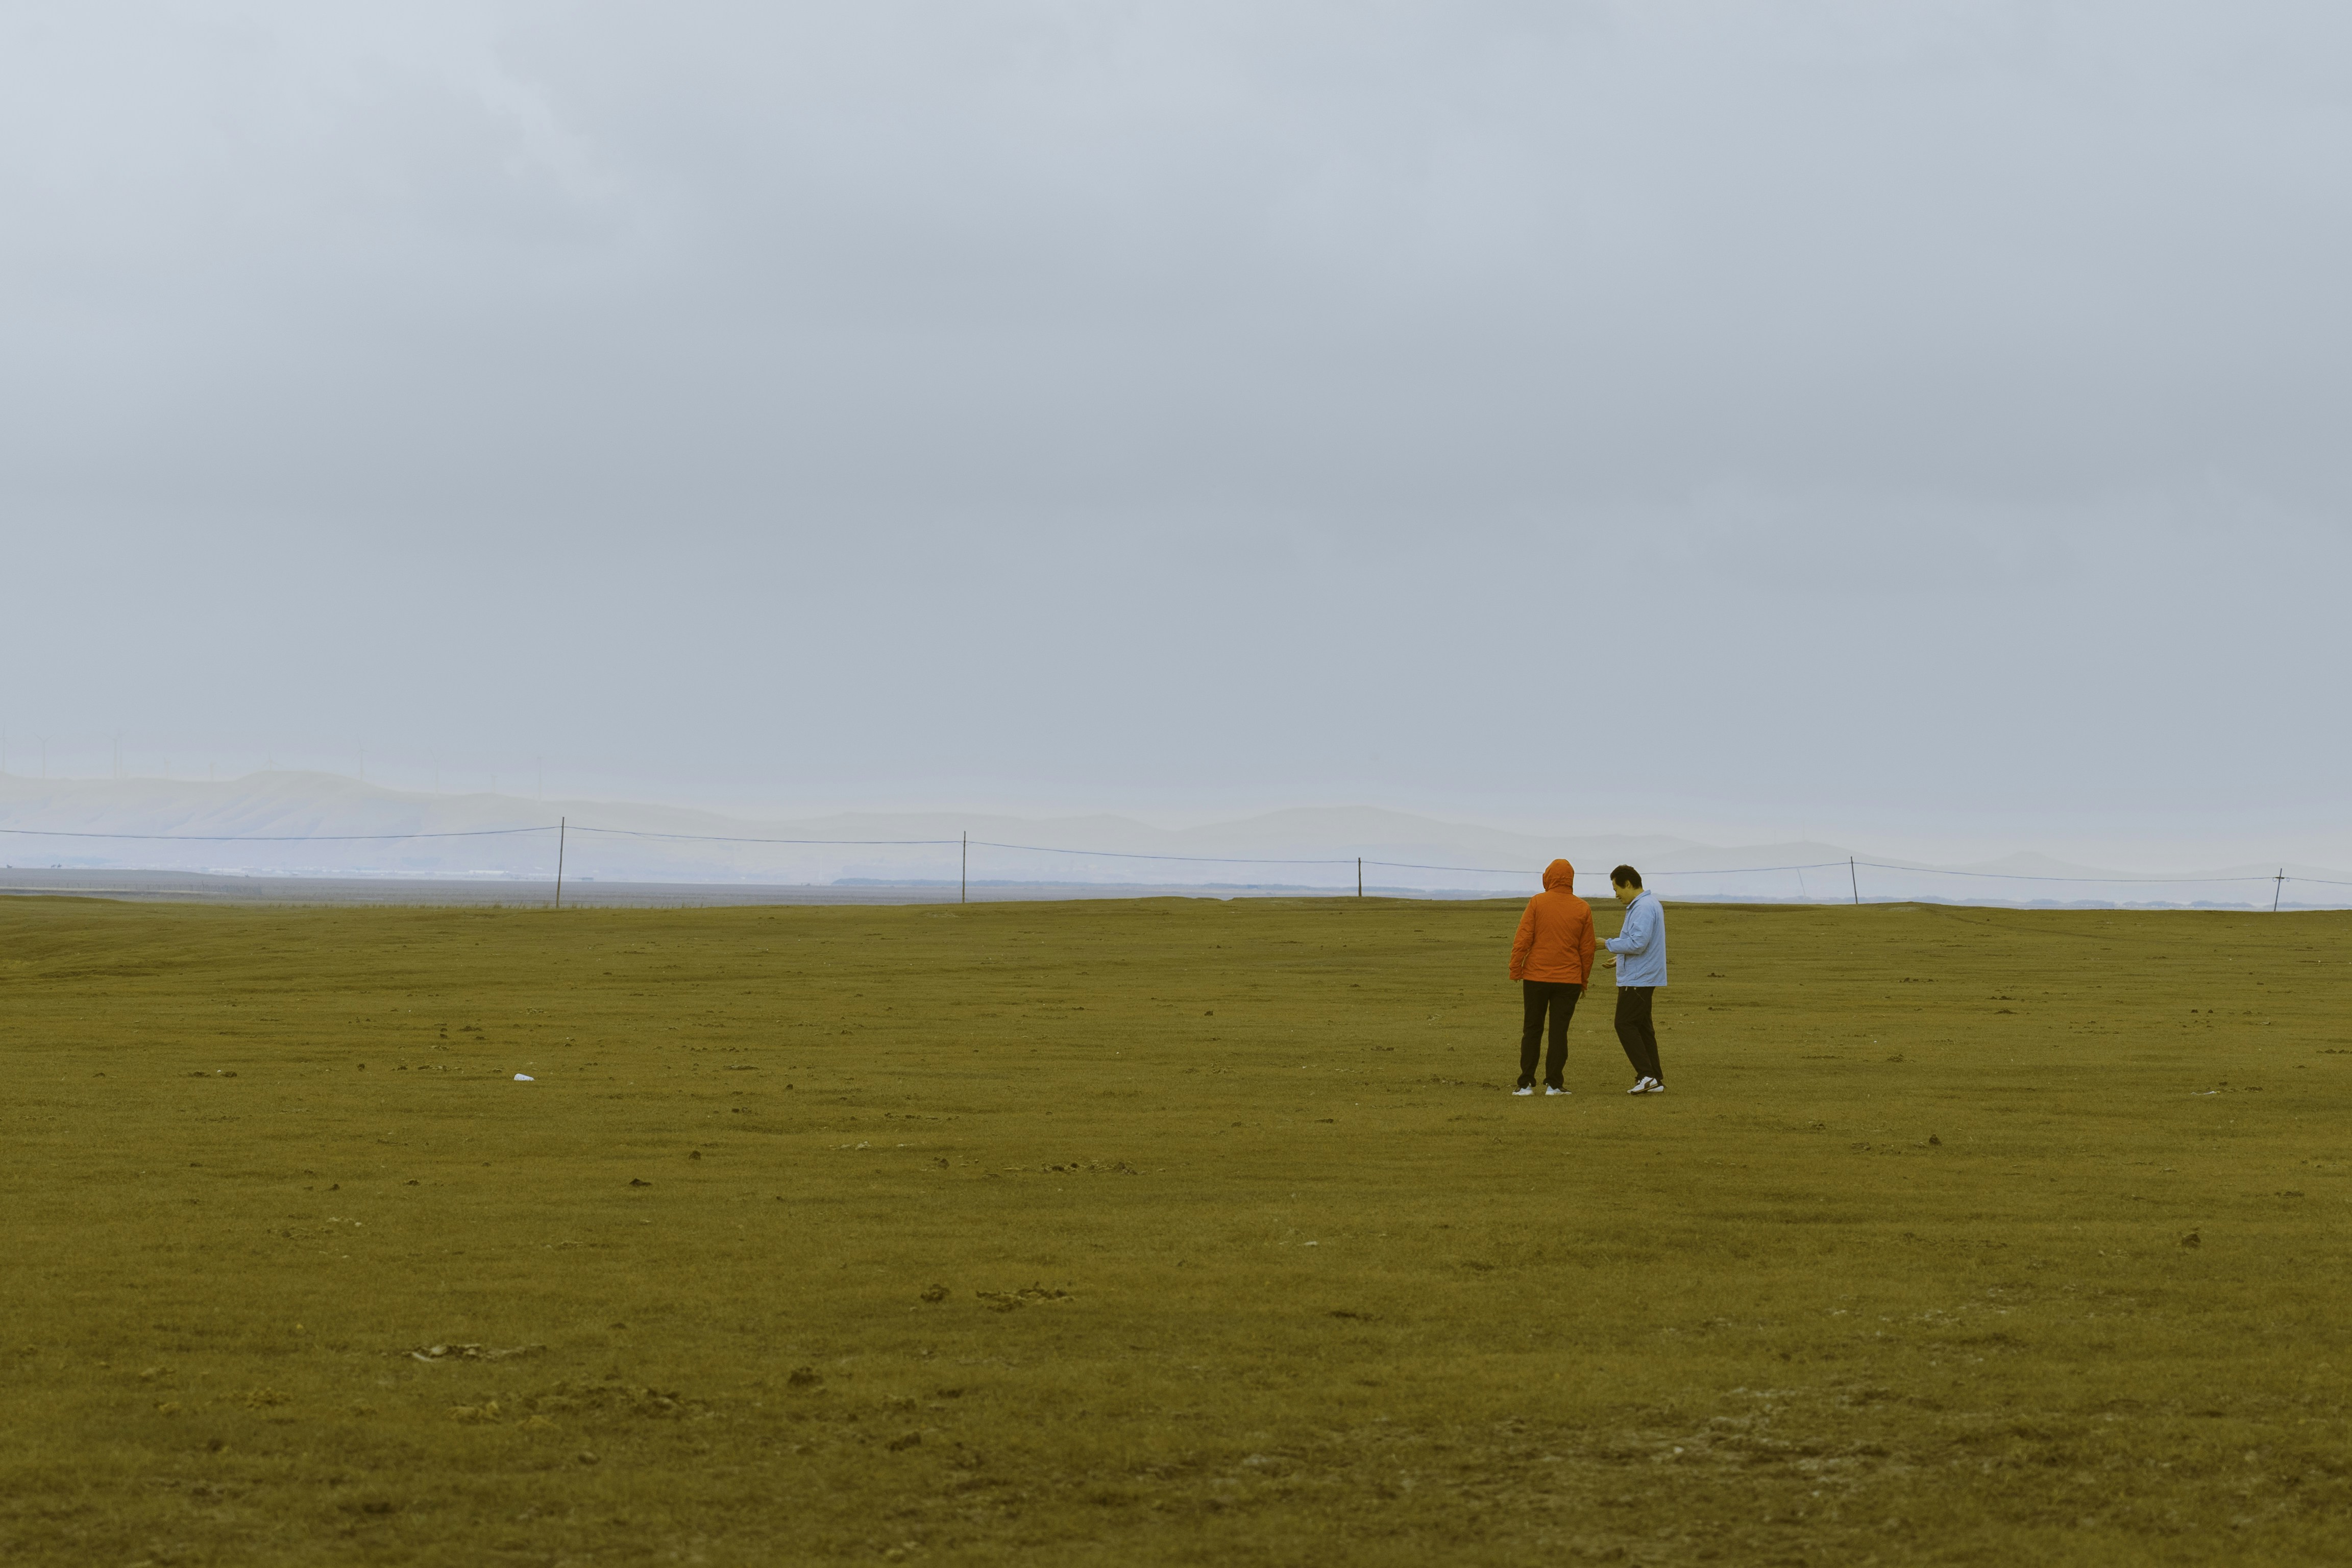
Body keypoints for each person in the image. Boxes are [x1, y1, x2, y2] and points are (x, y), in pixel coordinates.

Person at [1506, 859, 1596, 1095]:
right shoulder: (1583, 908)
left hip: (1536, 976)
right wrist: (1583, 981)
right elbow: (1587, 950)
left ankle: (1525, 1084)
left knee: (1532, 1029)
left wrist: (1516, 969)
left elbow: (1523, 938)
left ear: (1548, 877)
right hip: (1569, 979)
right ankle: (1554, 1084)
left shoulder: (1537, 902)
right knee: (1559, 1032)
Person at [1597, 865, 1668, 1093]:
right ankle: (1655, 1078)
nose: (1616, 895)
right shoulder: (1648, 904)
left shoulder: (1643, 907)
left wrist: (1606, 944)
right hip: (1643, 975)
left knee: (1624, 1023)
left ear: (1628, 884)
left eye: (1616, 889)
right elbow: (1642, 943)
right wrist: (1620, 958)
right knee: (1643, 1028)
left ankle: (1646, 1075)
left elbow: (1638, 943)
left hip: (1639, 979)